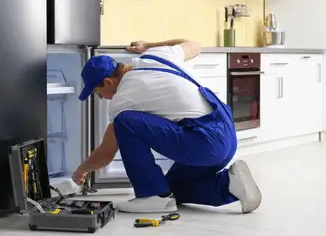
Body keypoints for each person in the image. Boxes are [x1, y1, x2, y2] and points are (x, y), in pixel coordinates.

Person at [71, 39, 262, 213]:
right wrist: (150, 45)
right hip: (226, 137)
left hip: (206, 143)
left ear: (108, 81)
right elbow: (195, 44)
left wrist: (81, 170)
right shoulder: (158, 54)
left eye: (98, 92)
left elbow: (106, 152)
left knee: (124, 122)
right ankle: (230, 184)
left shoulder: (123, 99)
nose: (101, 98)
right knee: (172, 189)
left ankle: (152, 196)